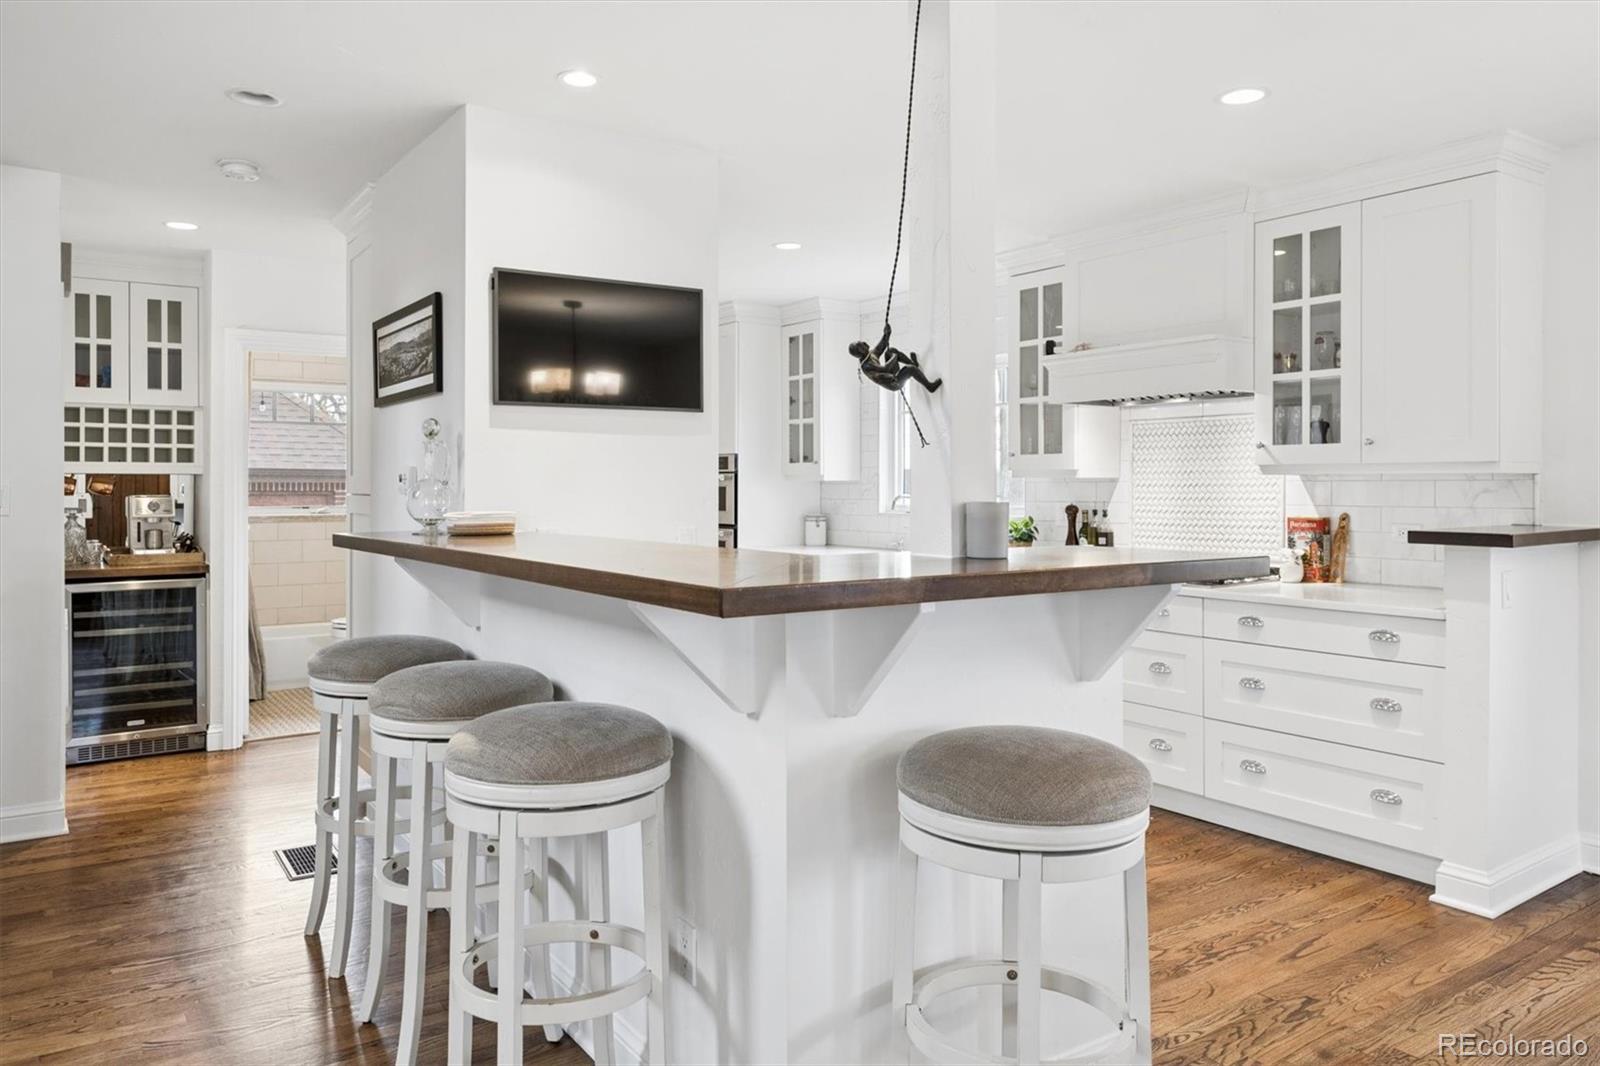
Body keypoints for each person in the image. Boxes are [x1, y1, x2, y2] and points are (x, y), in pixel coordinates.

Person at [848, 323, 942, 394]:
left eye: (861, 342)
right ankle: (930, 387)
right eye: (861, 345)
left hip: (889, 374)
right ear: (860, 353)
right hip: (894, 382)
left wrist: (887, 333)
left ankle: (915, 365)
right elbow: (886, 368)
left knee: (891, 350)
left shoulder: (868, 355)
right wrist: (894, 356)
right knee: (910, 369)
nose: (864, 343)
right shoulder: (867, 365)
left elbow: (882, 346)